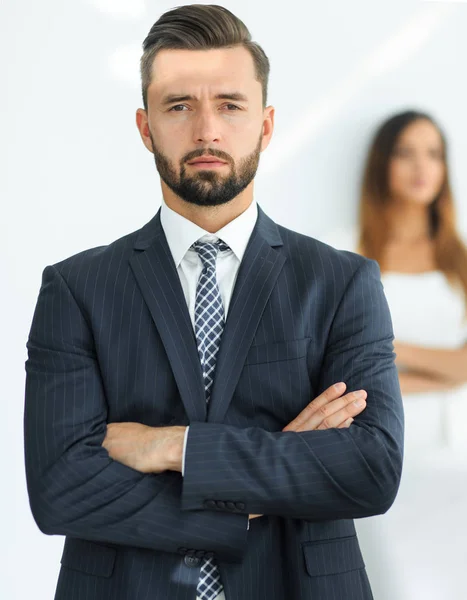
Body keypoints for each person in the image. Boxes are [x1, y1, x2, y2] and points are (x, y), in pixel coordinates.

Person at [23, 5, 403, 600]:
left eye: (230, 104)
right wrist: (257, 490)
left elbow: (370, 472)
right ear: (146, 127)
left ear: (266, 124)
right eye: (180, 106)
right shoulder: (76, 289)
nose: (207, 131)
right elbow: (60, 489)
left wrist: (170, 446)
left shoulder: (341, 282)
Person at [325, 110, 467, 599]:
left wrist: (379, 349)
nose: (421, 166)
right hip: (378, 449)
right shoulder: (346, 254)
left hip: (456, 454)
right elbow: (334, 373)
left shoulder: (461, 259)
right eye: (406, 152)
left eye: (434, 154)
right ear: (383, 163)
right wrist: (442, 370)